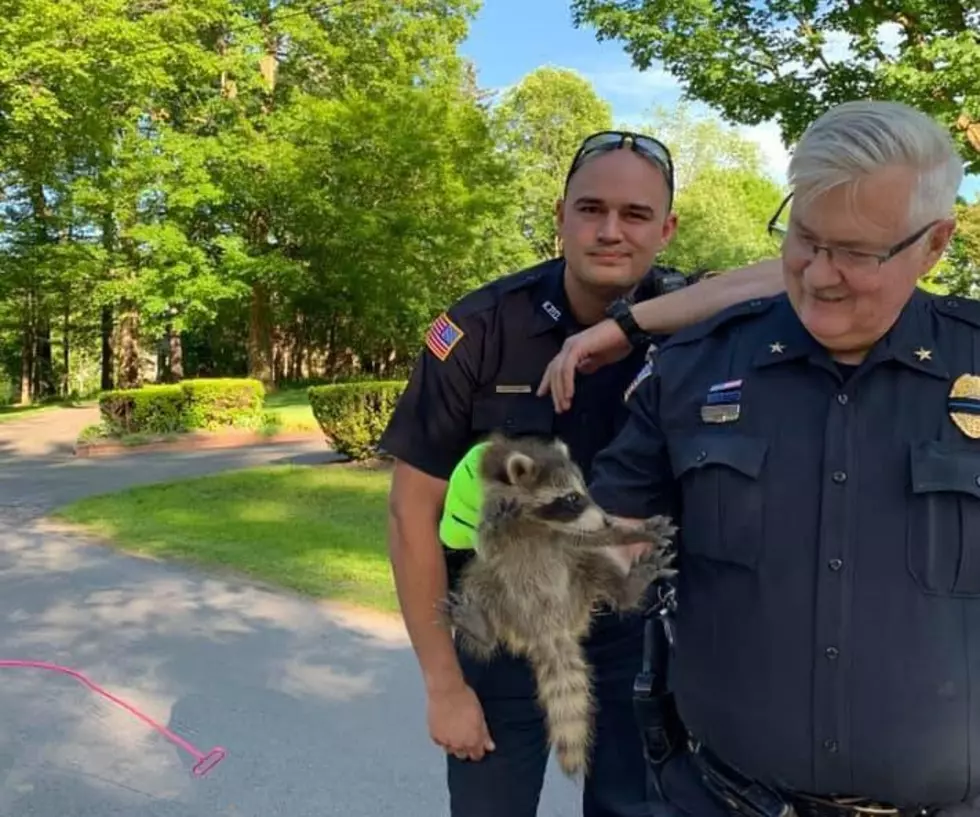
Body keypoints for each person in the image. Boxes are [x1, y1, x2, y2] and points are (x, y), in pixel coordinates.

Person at [583, 99, 974, 817]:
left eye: (857, 252)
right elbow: (607, 549)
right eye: (805, 238)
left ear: (935, 244)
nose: (820, 275)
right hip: (718, 798)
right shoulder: (693, 368)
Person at [379, 129, 786, 817]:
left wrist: (626, 327)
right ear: (560, 213)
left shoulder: (697, 321)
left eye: (635, 215)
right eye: (590, 209)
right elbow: (409, 512)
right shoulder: (481, 328)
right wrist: (443, 686)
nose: (609, 231)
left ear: (667, 229)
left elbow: (794, 270)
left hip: (643, 637)